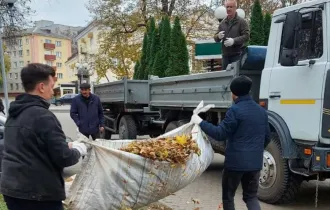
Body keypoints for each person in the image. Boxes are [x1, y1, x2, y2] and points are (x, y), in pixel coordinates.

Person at [0, 63, 87, 210]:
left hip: (12, 190)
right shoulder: (43, 116)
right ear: (41, 87)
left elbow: (30, 148)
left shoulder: (13, 114)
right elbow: (63, 157)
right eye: (51, 86)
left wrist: (66, 145)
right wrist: (78, 150)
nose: (53, 92)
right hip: (38, 194)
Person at [190, 75, 270, 210]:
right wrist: (254, 151)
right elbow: (266, 137)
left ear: (234, 94)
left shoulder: (235, 110)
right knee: (251, 197)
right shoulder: (262, 111)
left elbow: (220, 134)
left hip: (235, 164)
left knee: (228, 197)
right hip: (255, 164)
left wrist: (200, 122)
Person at [214, 0, 250, 70]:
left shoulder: (241, 22)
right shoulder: (222, 23)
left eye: (231, 7)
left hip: (237, 55)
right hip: (225, 56)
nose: (229, 9)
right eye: (227, 7)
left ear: (235, 8)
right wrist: (218, 36)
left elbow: (247, 36)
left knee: (236, 77)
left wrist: (234, 41)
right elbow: (215, 38)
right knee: (225, 78)